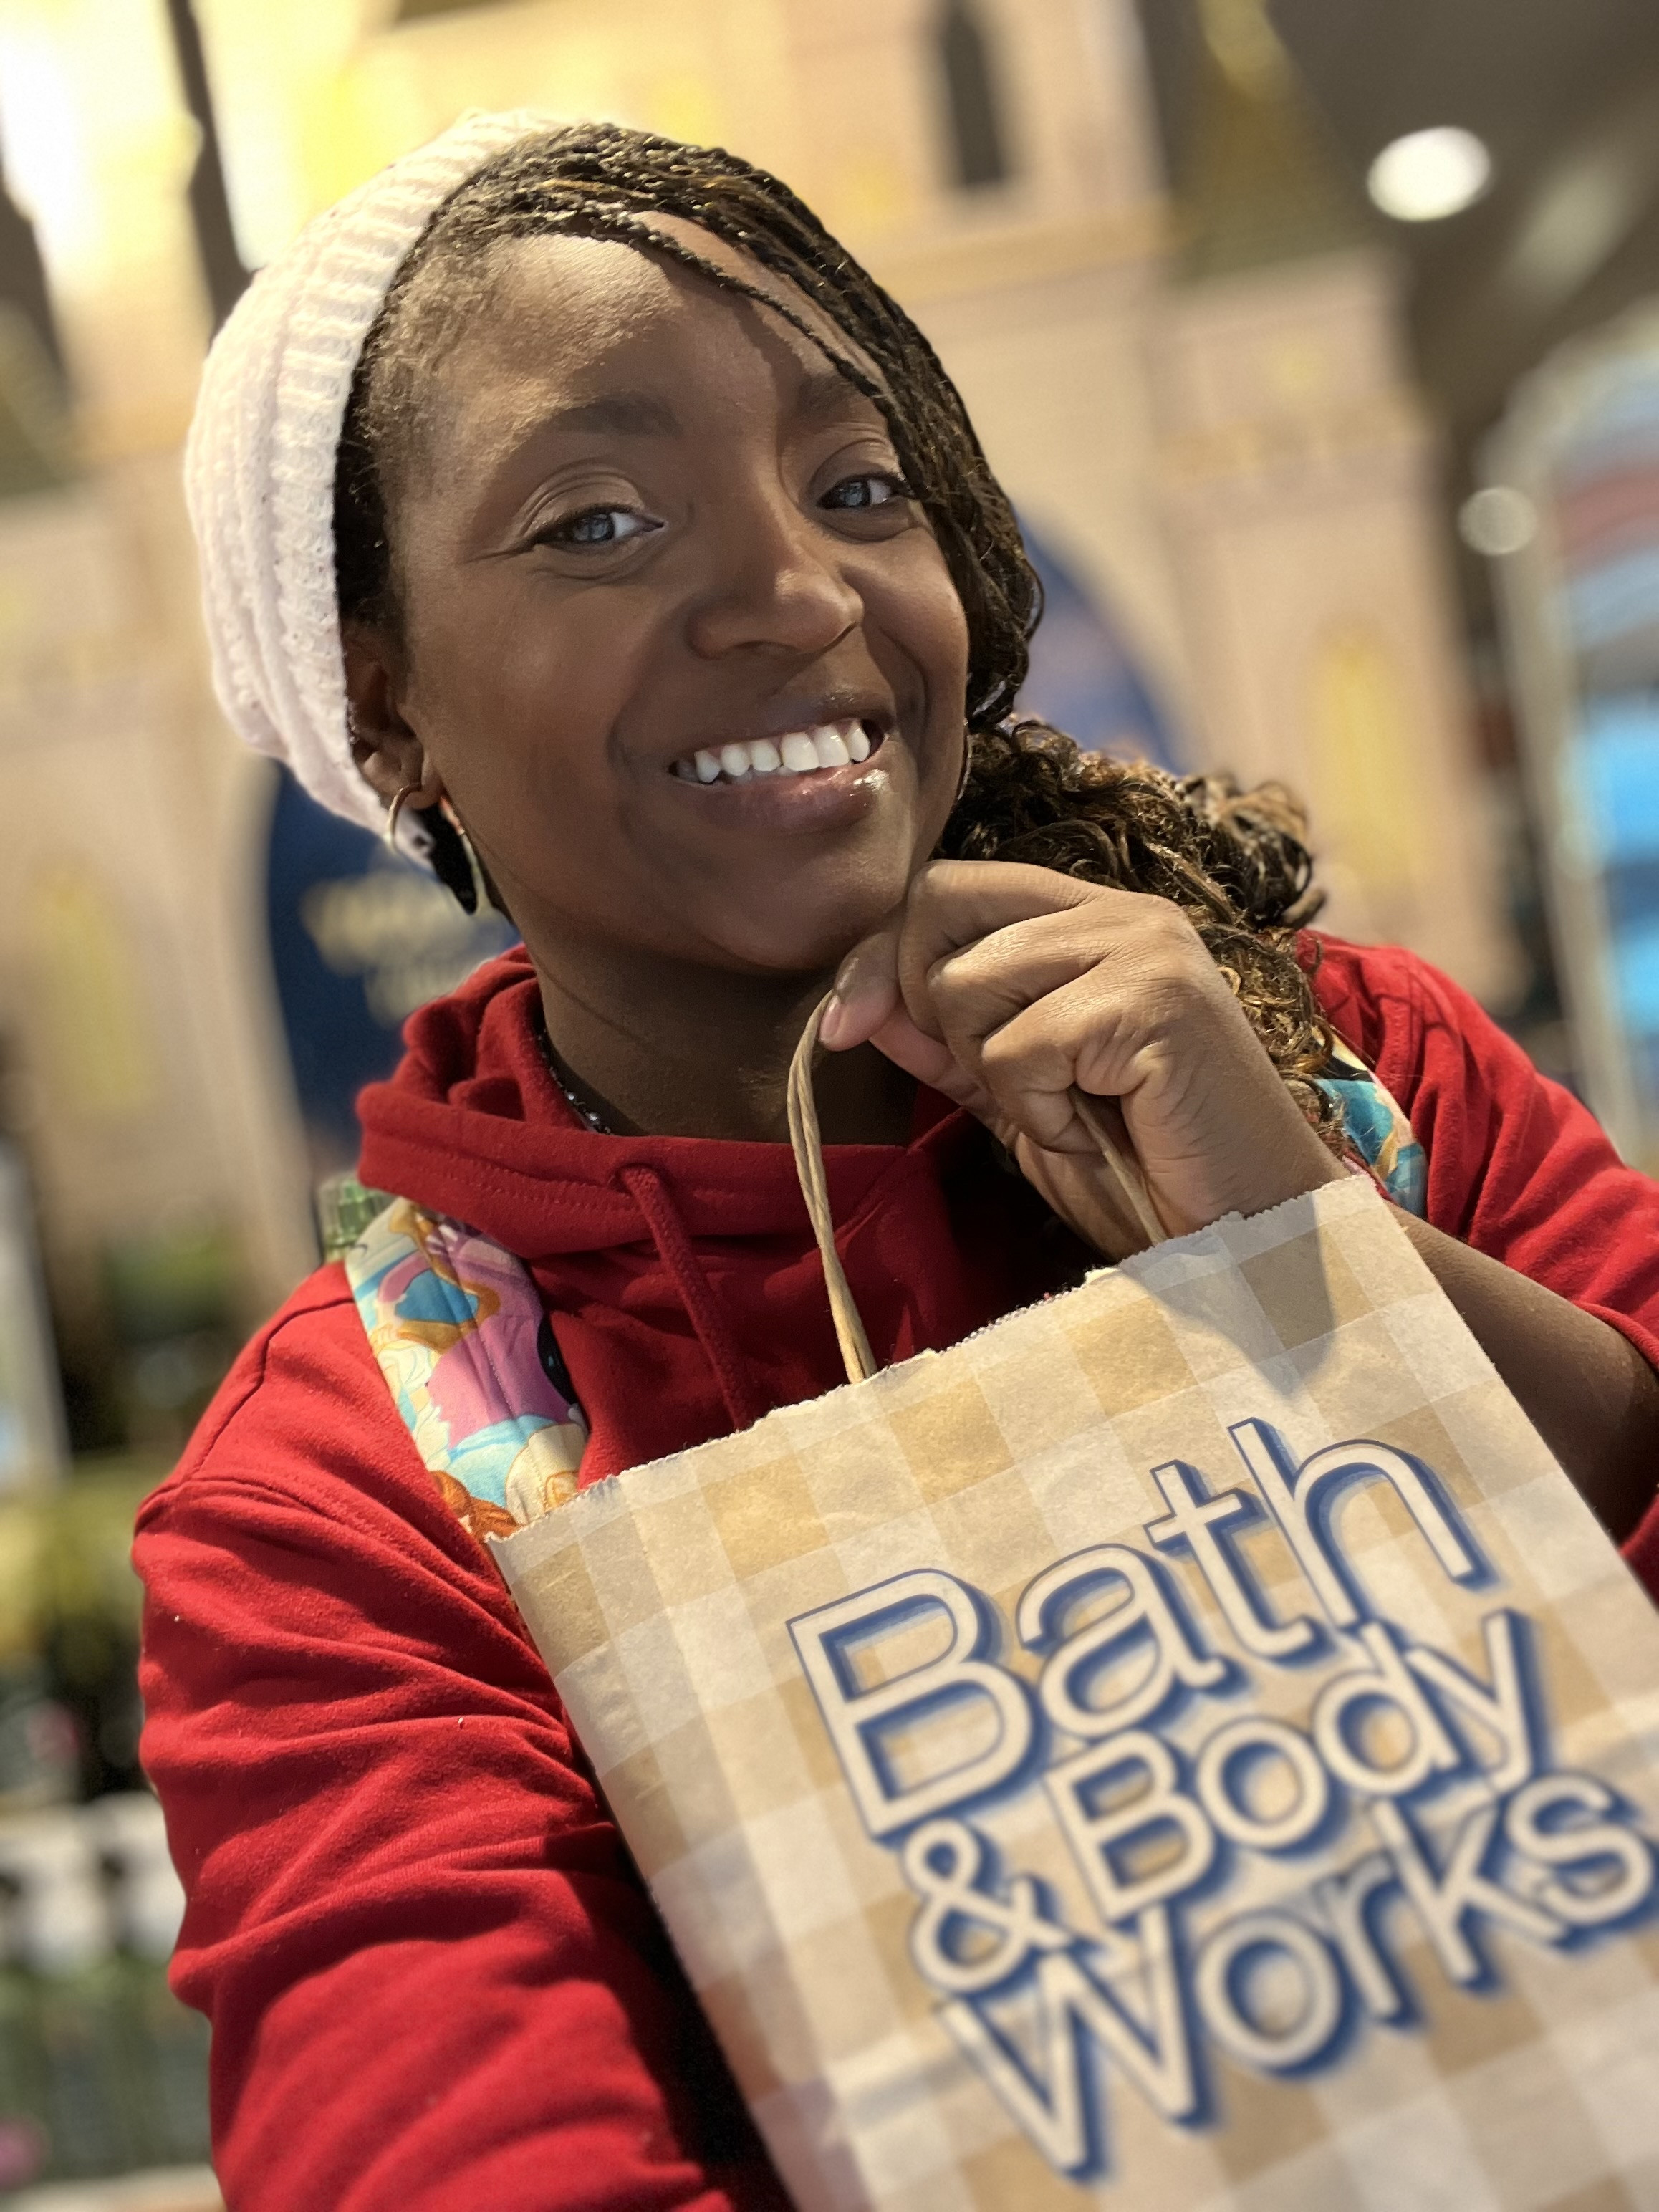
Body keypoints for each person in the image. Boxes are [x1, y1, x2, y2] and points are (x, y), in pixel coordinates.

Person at [141, 114, 1659, 2211]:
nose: (794, 590)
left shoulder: (1351, 1063)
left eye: (860, 487)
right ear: (381, 705)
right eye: (596, 522)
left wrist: (1306, 1245)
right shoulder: (344, 1499)